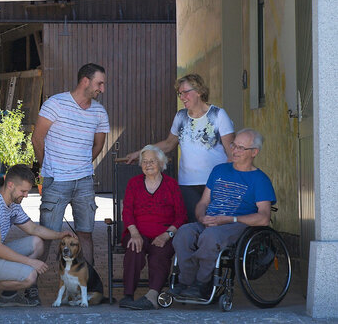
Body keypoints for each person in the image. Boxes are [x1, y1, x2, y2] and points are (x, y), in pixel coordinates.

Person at [169, 129, 276, 300]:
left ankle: (202, 283)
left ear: (254, 152)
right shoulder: (219, 170)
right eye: (234, 145)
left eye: (241, 148)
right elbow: (203, 202)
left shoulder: (260, 179)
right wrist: (201, 217)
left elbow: (264, 217)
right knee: (183, 233)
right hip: (210, 221)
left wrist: (230, 219)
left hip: (236, 225)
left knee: (210, 236)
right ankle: (186, 282)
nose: (234, 150)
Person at [0, 164, 75, 309]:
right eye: (23, 191)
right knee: (30, 276)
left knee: (37, 243)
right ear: (10, 185)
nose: (26, 195)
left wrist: (60, 235)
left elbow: (33, 228)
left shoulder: (13, 205)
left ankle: (8, 296)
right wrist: (31, 263)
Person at [125, 74, 235, 223]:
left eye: (185, 92)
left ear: (199, 91)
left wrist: (231, 181)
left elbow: (232, 153)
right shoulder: (181, 116)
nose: (182, 97)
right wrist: (140, 153)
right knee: (192, 224)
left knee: (214, 225)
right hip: (187, 183)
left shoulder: (218, 115)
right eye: (180, 93)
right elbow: (169, 143)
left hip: (216, 182)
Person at [31, 63, 110, 265]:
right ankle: (31, 288)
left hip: (84, 181)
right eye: (99, 84)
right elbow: (37, 138)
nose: (102, 89)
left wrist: (81, 164)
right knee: (47, 236)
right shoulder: (55, 104)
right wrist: (47, 167)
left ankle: (89, 288)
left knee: (86, 235)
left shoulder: (99, 112)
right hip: (55, 180)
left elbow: (99, 145)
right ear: (85, 81)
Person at [118, 145, 187, 310]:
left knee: (160, 255)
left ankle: (152, 296)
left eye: (152, 161)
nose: (148, 164)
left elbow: (181, 216)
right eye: (144, 161)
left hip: (163, 234)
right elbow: (127, 212)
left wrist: (167, 235)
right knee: (134, 249)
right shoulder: (133, 184)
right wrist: (134, 233)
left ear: (161, 163)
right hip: (138, 232)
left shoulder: (171, 185)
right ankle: (128, 295)